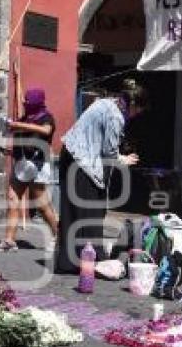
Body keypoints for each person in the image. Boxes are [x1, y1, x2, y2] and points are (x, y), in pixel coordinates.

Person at [55, 79, 147, 274]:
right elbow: (109, 152)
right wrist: (124, 160)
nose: (137, 115)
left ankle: (68, 261)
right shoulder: (116, 117)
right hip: (84, 163)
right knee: (91, 212)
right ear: (132, 104)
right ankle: (92, 260)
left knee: (71, 211)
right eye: (138, 110)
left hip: (71, 154)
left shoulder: (104, 102)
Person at [0, 87, 59, 253]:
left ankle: (60, 236)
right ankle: (9, 240)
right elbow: (19, 133)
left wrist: (18, 124)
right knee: (13, 198)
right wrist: (11, 129)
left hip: (37, 164)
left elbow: (46, 131)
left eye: (28, 101)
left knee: (42, 205)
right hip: (21, 163)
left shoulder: (46, 117)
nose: (25, 103)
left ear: (36, 102)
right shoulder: (27, 117)